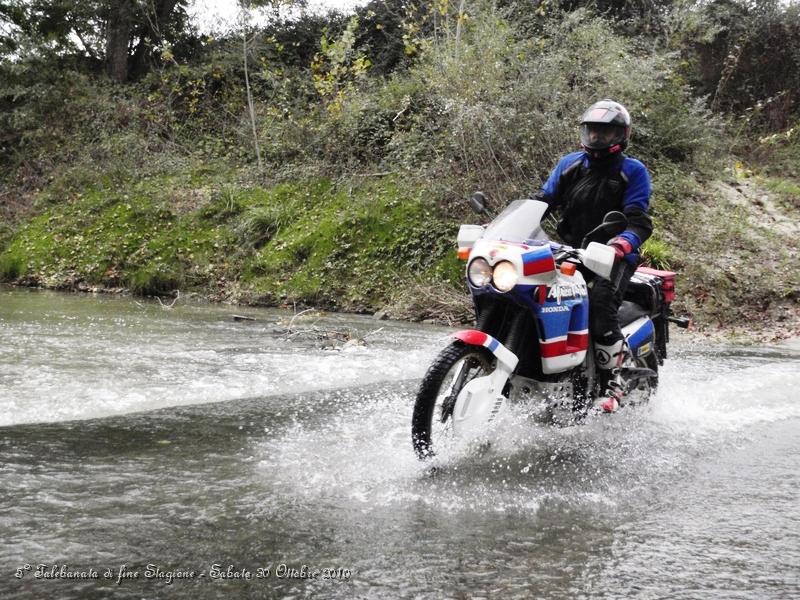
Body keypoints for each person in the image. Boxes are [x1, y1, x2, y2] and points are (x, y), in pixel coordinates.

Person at [534, 99, 653, 413]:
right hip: (570, 250)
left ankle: (611, 379)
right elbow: (542, 202)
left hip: (613, 256)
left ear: (621, 136)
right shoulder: (569, 164)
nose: (597, 139)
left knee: (600, 305)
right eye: (592, 132)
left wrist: (620, 245)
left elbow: (638, 221)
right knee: (532, 294)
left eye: (605, 133)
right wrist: (502, 226)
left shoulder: (633, 171)